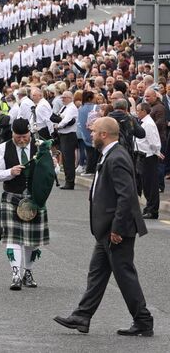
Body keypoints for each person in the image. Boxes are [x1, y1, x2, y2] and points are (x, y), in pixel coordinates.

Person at [55, 117, 152, 337]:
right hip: (106, 229)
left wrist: (117, 229)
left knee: (125, 275)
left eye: (94, 131)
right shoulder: (109, 154)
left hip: (116, 230)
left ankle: (143, 320)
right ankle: (82, 315)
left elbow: (127, 196)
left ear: (104, 135)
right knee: (97, 274)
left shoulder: (116, 157)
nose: (91, 134)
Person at [0, 118, 49, 290]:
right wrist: (10, 172)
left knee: (32, 241)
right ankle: (16, 274)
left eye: (25, 136)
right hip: (12, 196)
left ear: (30, 133)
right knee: (13, 238)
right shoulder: (3, 148)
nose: (22, 140)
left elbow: (53, 172)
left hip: (35, 197)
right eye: (18, 137)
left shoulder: (40, 147)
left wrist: (52, 166)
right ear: (13, 134)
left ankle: (28, 273)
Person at [134, 103, 162, 220]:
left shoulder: (149, 124)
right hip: (142, 156)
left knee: (150, 185)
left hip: (148, 156)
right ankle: (148, 208)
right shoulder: (143, 122)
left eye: (138, 110)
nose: (137, 112)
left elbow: (153, 141)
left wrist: (157, 152)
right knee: (145, 184)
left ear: (144, 111)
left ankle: (152, 210)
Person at [55, 90, 78, 189]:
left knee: (68, 159)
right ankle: (68, 180)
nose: (62, 99)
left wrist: (58, 126)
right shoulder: (65, 107)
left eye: (64, 98)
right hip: (64, 135)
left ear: (69, 98)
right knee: (65, 158)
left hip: (69, 135)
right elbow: (59, 116)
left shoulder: (71, 108)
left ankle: (70, 181)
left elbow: (66, 120)